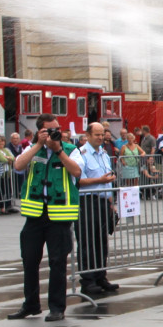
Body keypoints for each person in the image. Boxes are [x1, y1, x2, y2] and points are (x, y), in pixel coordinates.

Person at [8, 113, 82, 322]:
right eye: (48, 130)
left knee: (58, 263)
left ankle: (57, 307)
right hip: (35, 215)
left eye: (56, 129)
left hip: (59, 217)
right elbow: (18, 165)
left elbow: (76, 171)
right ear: (39, 131)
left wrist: (58, 150)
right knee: (29, 260)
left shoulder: (70, 149)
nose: (53, 133)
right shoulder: (33, 150)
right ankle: (30, 304)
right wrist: (38, 145)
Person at [71, 123, 118, 295]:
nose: (100, 137)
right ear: (88, 135)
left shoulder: (104, 153)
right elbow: (78, 180)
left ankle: (100, 276)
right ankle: (88, 280)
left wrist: (111, 203)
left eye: (102, 134)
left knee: (101, 242)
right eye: (97, 135)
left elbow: (109, 180)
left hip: (103, 201)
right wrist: (100, 180)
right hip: (87, 201)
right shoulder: (80, 154)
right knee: (87, 242)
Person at [0, 135, 16, 215]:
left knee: (5, 190)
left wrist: (8, 158)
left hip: (6, 174)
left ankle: (4, 208)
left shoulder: (6, 149)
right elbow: (2, 159)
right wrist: (8, 159)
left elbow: (13, 158)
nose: (1, 143)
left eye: (3, 141)